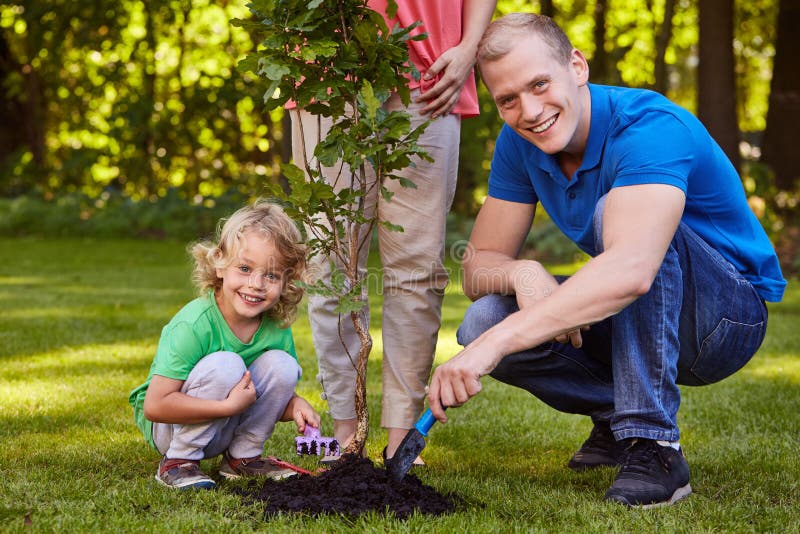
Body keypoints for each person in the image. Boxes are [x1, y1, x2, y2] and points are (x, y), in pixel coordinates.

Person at [427, 13, 786, 508]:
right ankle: (619, 422)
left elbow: (632, 269)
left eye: (539, 84)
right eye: (508, 99)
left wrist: (493, 347)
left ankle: (655, 443)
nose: (529, 111)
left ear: (577, 66)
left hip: (725, 320)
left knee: (619, 232)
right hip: (647, 302)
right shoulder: (519, 144)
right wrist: (523, 273)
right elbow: (478, 264)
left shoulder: (649, 127)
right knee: (484, 317)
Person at [290, 0, 496, 463]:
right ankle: (346, 430)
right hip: (328, 60)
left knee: (417, 265)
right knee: (330, 260)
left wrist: (468, 50)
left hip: (432, 72)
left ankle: (403, 435)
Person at [128, 200, 321, 490]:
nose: (256, 284)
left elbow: (264, 396)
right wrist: (225, 406)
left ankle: (242, 458)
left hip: (224, 422)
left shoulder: (275, 328)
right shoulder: (194, 324)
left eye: (270, 275)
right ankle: (178, 462)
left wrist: (295, 405)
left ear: (286, 281)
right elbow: (156, 406)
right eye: (244, 268)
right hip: (172, 428)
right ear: (220, 263)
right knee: (226, 364)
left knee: (283, 365)